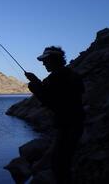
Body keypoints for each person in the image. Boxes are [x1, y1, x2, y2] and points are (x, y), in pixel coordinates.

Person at [25, 46, 85, 184]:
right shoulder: (69, 75)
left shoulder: (58, 78)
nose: (43, 63)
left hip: (68, 125)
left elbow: (52, 101)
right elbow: (55, 96)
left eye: (45, 60)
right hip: (73, 123)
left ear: (54, 60)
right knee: (63, 160)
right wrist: (37, 83)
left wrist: (35, 87)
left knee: (60, 163)